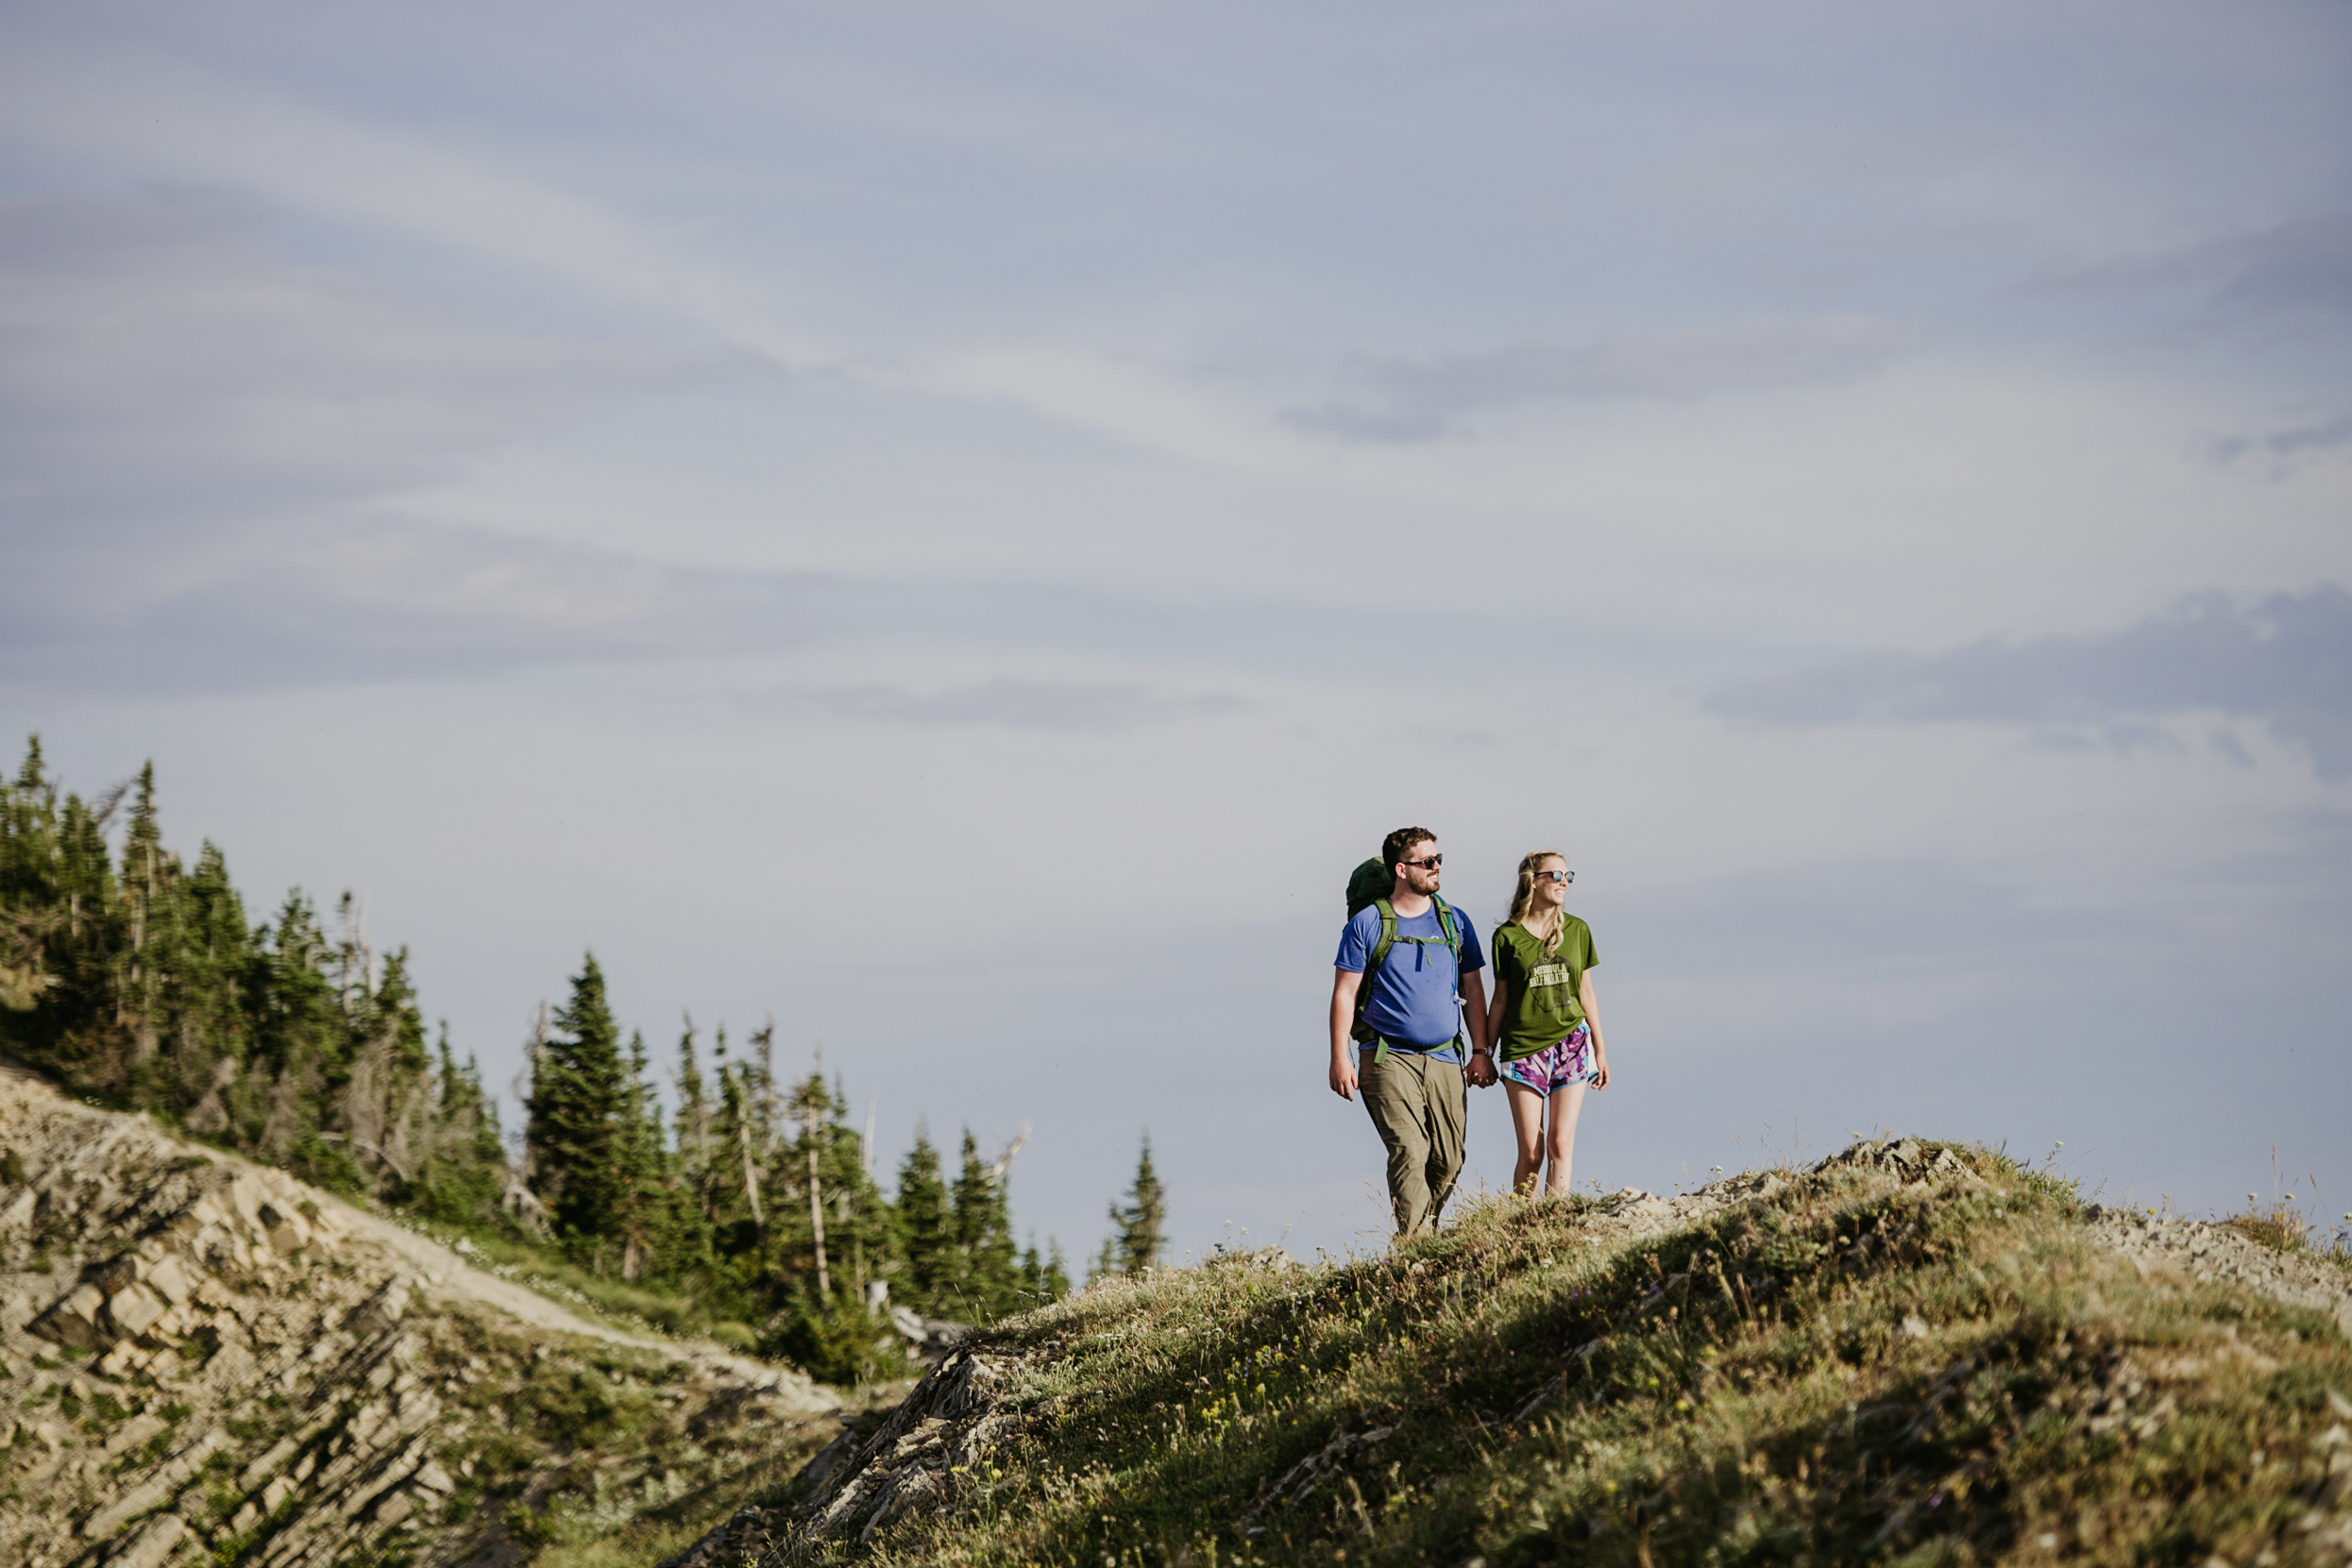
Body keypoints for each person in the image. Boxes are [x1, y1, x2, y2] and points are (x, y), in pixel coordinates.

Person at [1328, 827, 1493, 1239]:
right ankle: (1415, 1245)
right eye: (1426, 862)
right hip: (1386, 1056)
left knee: (1448, 1159)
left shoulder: (1455, 922)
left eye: (1438, 859)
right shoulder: (1367, 924)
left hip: (1444, 1056)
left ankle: (1425, 1232)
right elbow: (1344, 994)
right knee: (1409, 1150)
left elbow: (1472, 988)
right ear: (1401, 870)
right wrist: (1339, 1057)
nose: (1436, 867)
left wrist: (1481, 1050)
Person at [1485, 850, 1609, 1199]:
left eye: (1568, 876)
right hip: (1523, 1049)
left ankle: (1556, 1220)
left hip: (1572, 1044)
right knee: (1532, 1152)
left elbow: (1586, 993)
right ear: (1533, 881)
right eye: (1555, 876)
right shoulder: (1506, 938)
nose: (1563, 882)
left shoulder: (1578, 930)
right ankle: (1522, 1224)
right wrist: (1484, 1052)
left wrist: (1601, 1051)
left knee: (1560, 1143)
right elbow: (1500, 1000)